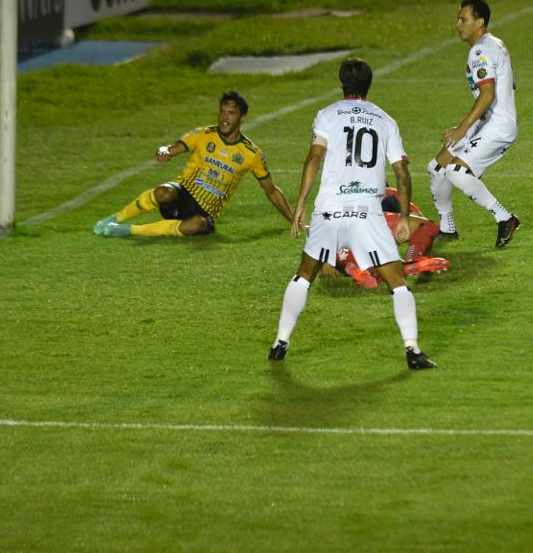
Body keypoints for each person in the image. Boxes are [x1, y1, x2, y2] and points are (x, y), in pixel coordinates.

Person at [268, 57, 437, 370]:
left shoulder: (327, 115)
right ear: (369, 86)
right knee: (397, 283)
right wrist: (401, 215)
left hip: (329, 210)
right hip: (367, 214)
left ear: (341, 84)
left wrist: (301, 202)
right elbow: (402, 172)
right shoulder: (385, 120)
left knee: (304, 276)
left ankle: (281, 341)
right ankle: (412, 349)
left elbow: (313, 159)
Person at [94, 92, 293, 237]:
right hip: (182, 195)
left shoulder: (251, 154)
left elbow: (272, 191)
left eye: (231, 113)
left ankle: (128, 231)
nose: (225, 118)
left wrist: (294, 220)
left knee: (195, 225)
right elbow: (172, 148)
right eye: (222, 112)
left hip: (204, 213)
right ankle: (115, 219)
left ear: (242, 118)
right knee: (163, 192)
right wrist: (163, 151)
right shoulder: (202, 134)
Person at [427, 0, 521, 248]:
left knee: (457, 172)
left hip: (498, 127)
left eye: (463, 19)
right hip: (490, 121)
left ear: (479, 22)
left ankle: (506, 218)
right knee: (436, 168)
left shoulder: (479, 50)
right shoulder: (495, 43)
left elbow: (488, 93)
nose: (458, 24)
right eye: (458, 18)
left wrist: (464, 127)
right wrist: (472, 117)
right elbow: (505, 86)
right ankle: (447, 229)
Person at [325, 187, 450, 288]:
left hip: (342, 241)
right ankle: (411, 262)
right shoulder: (390, 194)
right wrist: (419, 254)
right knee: (427, 226)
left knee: (328, 262)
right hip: (380, 227)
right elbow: (422, 224)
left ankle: (357, 269)